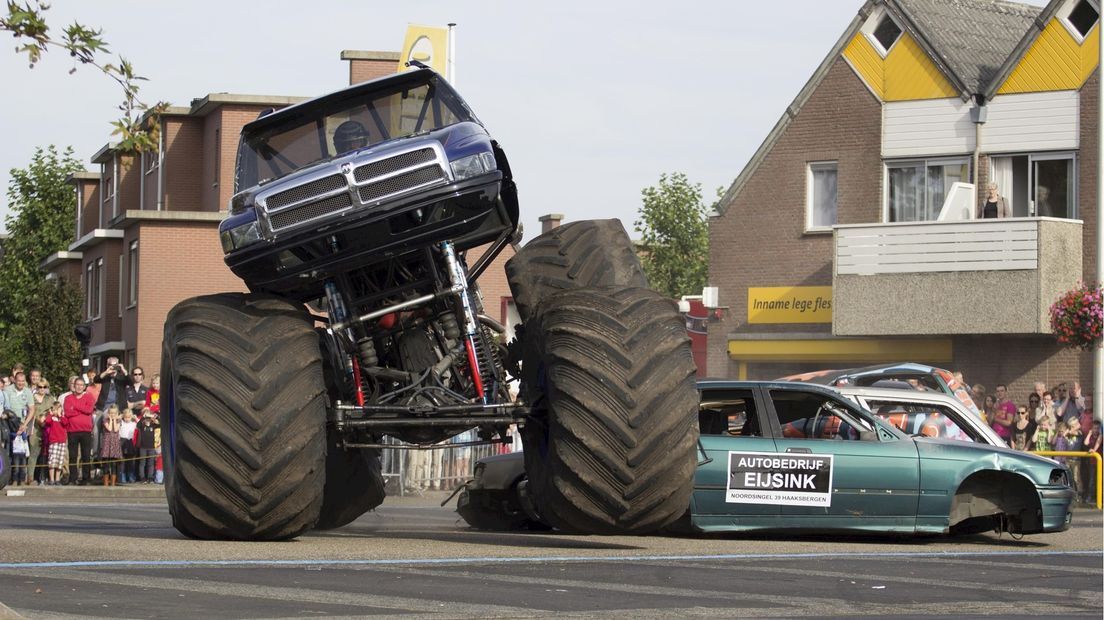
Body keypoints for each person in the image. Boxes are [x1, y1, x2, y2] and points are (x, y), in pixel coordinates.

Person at [64, 377, 96, 484]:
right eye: (77, 384)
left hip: (86, 430)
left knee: (86, 455)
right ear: (74, 386)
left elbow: (89, 410)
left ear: (84, 387)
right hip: (72, 430)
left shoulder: (89, 397)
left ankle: (86, 478)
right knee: (73, 456)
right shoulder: (68, 398)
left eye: (81, 385)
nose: (79, 387)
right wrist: (81, 409)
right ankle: (73, 478)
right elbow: (68, 413)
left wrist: (75, 408)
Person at [43, 402, 67, 485]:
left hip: (62, 442)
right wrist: (51, 413)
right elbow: (47, 421)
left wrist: (60, 415)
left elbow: (65, 423)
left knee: (59, 462)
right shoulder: (52, 418)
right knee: (52, 461)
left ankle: (57, 479)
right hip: (54, 441)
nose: (57, 411)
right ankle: (52, 479)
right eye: (55, 409)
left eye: (58, 409)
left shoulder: (62, 417)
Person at [99, 404, 122, 486]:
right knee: (106, 463)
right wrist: (111, 420)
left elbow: (115, 429)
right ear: (108, 413)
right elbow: (109, 428)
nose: (112, 415)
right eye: (111, 413)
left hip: (115, 443)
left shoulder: (119, 421)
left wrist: (115, 420)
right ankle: (105, 482)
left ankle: (113, 483)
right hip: (107, 443)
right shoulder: (105, 420)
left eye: (114, 413)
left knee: (114, 464)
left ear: (117, 413)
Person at [137, 408, 159, 483]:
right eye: (147, 418)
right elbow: (138, 425)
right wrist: (144, 416)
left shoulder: (153, 425)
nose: (148, 419)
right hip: (143, 447)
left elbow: (160, 424)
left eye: (149, 418)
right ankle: (142, 477)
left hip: (151, 447)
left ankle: (150, 477)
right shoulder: (142, 425)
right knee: (142, 463)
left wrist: (156, 417)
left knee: (151, 463)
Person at [1082, 420, 1102, 505]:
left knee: (1100, 480)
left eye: (1097, 428)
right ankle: (1090, 497)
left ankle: (1099, 497)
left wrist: (1094, 450)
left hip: (1100, 461)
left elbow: (1099, 442)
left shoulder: (1100, 436)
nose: (1096, 430)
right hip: (1092, 462)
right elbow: (1085, 443)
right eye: (1094, 428)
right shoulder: (1090, 436)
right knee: (1092, 480)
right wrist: (1089, 434)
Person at [119, 408, 138, 484]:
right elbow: (117, 419)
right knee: (123, 461)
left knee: (131, 461)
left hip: (130, 442)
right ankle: (122, 477)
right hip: (122, 441)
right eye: (125, 417)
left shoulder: (133, 424)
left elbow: (139, 423)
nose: (127, 419)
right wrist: (121, 416)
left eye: (129, 417)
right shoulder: (121, 422)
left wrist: (135, 418)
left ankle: (130, 476)